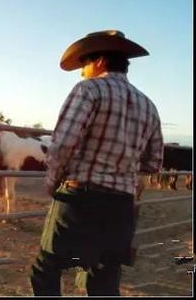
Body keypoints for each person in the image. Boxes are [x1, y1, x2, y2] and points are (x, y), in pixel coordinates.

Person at [30, 30, 164, 296]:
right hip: (122, 205)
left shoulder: (89, 89)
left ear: (100, 61)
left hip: (81, 198)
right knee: (104, 275)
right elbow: (154, 161)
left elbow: (64, 144)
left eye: (84, 64)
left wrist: (52, 182)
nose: (82, 72)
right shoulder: (148, 105)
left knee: (46, 268)